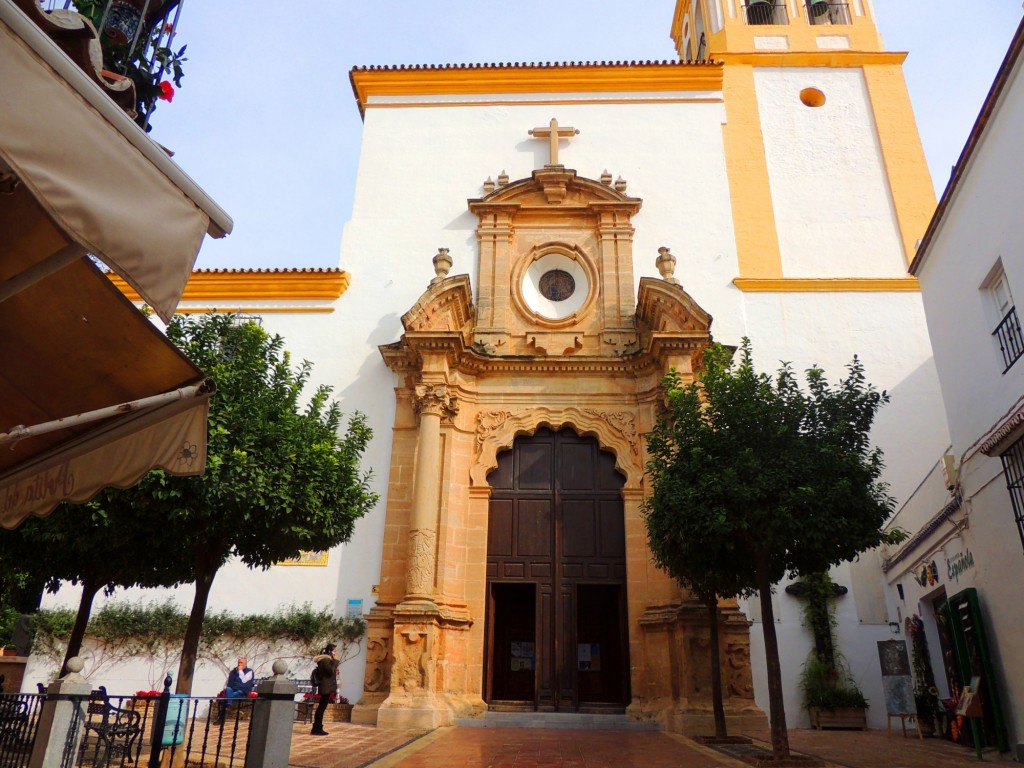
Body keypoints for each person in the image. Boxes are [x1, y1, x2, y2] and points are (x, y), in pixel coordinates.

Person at [217, 657, 256, 725]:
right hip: (233, 691)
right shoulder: (233, 672)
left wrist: (240, 671)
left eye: (241, 663)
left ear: (245, 664)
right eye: (239, 662)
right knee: (228, 689)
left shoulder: (250, 671)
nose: (239, 664)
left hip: (243, 691)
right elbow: (230, 683)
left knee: (228, 698)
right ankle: (229, 705)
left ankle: (221, 717)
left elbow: (244, 680)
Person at [310, 643, 339, 736]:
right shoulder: (326, 660)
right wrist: (335, 661)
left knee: (322, 707)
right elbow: (330, 671)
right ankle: (317, 728)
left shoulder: (326, 660)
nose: (335, 653)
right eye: (334, 651)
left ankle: (317, 727)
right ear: (330, 651)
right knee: (321, 708)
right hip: (326, 687)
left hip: (327, 686)